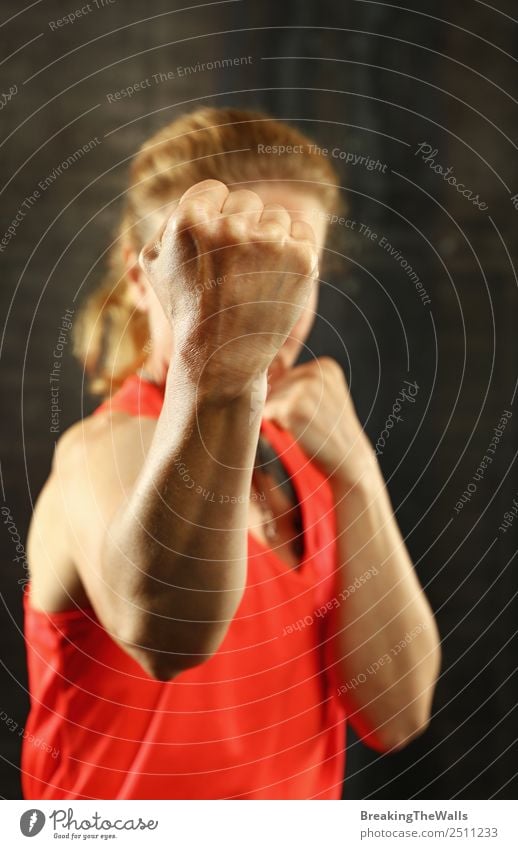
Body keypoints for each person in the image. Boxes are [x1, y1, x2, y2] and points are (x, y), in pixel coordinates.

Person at [23, 107, 441, 800]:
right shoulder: (102, 451)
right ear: (140, 277)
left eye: (288, 271)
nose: (265, 303)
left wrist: (359, 475)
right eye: (227, 265)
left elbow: (398, 712)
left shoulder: (311, 460)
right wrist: (226, 370)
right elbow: (166, 636)